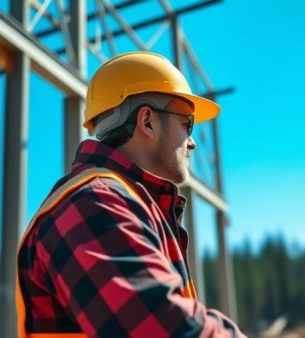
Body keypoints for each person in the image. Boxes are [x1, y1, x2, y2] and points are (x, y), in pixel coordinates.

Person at [16, 51, 245, 338]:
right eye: (187, 123)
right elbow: (165, 329)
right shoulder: (93, 203)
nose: (193, 142)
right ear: (147, 121)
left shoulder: (125, 204)